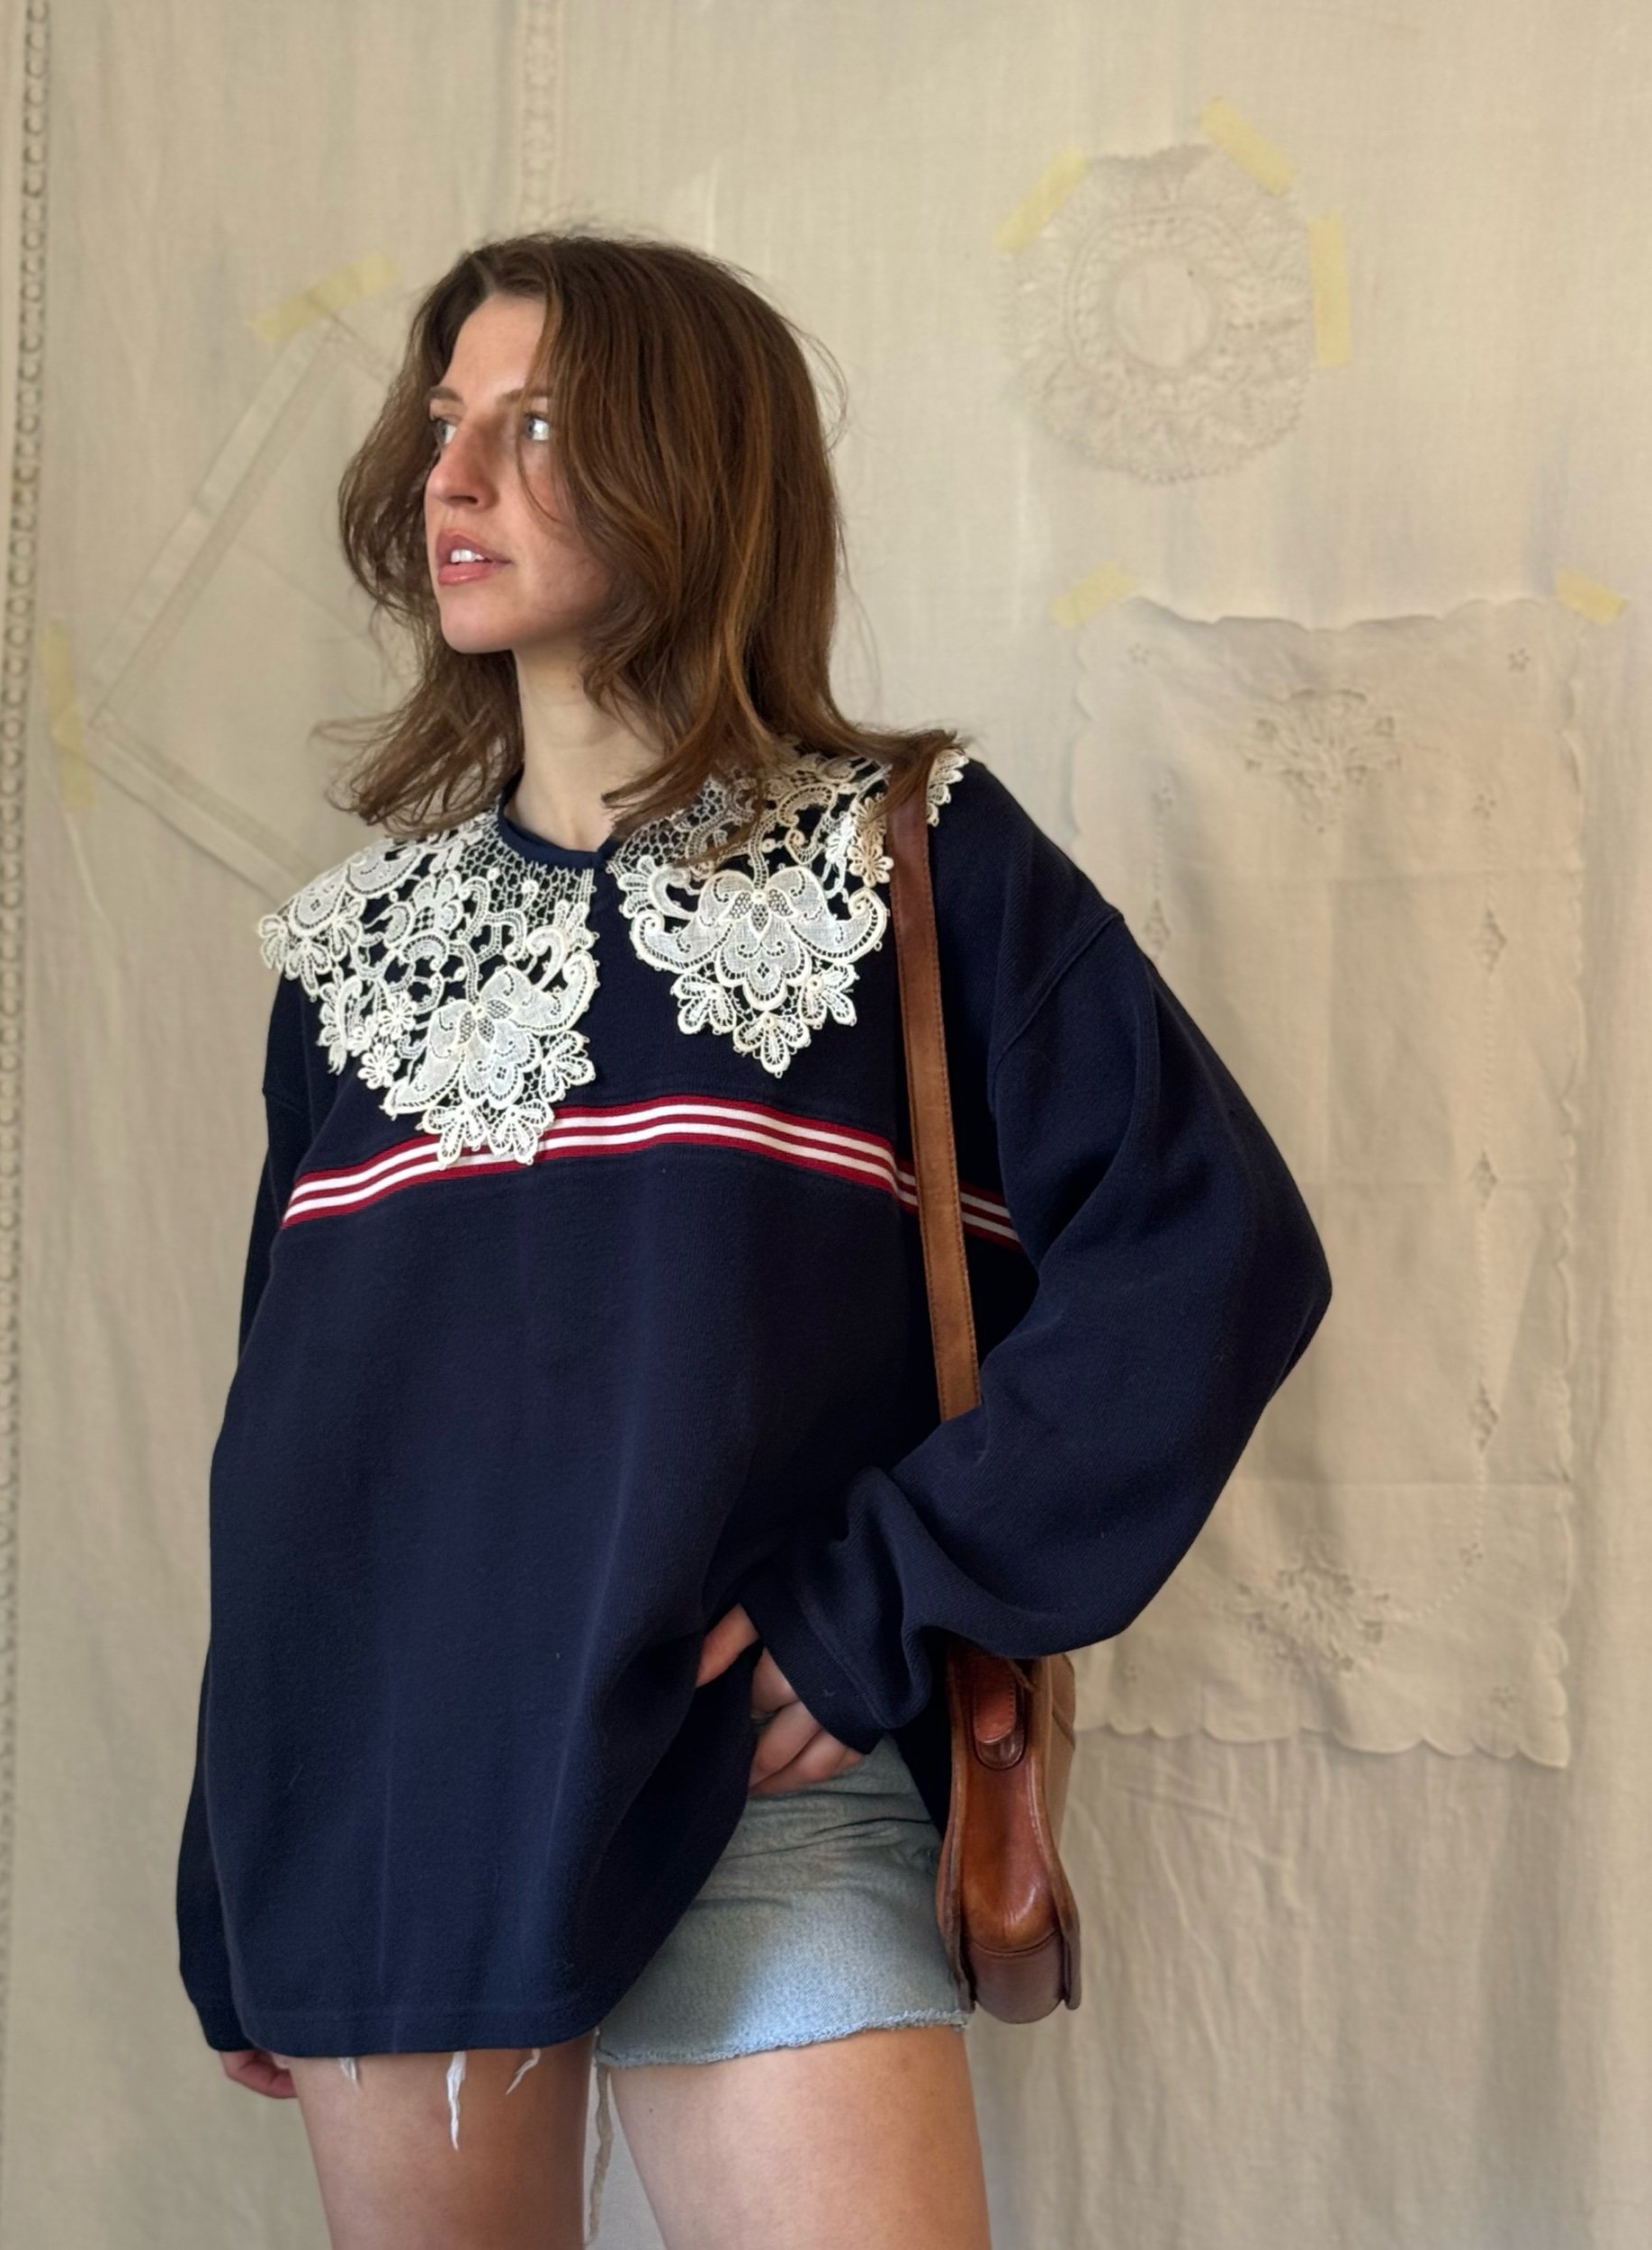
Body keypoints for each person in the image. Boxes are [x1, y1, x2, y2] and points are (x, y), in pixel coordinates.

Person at [175, 229, 1333, 2250]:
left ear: (691, 471)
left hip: (754, 1790)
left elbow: (1206, 1248)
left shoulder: (913, 860)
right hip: (392, 1809)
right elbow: (296, 1444)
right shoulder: (355, 958)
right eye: (445, 422)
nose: (455, 477)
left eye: (540, 426)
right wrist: (233, 1866)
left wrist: (868, 1601)